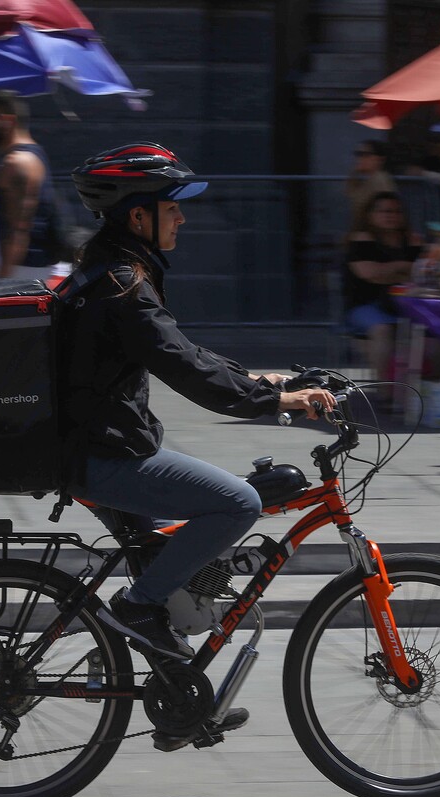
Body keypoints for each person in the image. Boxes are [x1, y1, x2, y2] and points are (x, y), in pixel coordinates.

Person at [65, 142, 336, 676]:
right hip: (103, 454)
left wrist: (258, 378)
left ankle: (175, 704)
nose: (182, 217)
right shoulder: (124, 285)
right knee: (237, 503)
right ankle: (136, 610)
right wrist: (276, 401)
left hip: (97, 444)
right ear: (138, 215)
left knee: (174, 558)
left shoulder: (114, 270)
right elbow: (184, 369)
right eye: (173, 207)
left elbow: (183, 351)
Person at [0, 90, 68, 280]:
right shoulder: (31, 155)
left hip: (21, 272)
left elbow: (18, 230)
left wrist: (0, 284)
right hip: (23, 268)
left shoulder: (18, 163)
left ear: (6, 121)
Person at [343, 191, 423, 387]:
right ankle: (385, 390)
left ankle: (420, 391)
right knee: (382, 330)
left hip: (406, 305)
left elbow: (422, 273)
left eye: (397, 211)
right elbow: (368, 272)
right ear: (370, 214)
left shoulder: (411, 240)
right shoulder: (361, 239)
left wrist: (389, 272)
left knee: (435, 330)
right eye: (385, 211)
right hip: (366, 305)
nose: (391, 215)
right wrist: (401, 267)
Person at [344, 139, 398, 226]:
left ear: (379, 159)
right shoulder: (362, 178)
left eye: (365, 155)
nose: (360, 159)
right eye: (358, 154)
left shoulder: (380, 180)